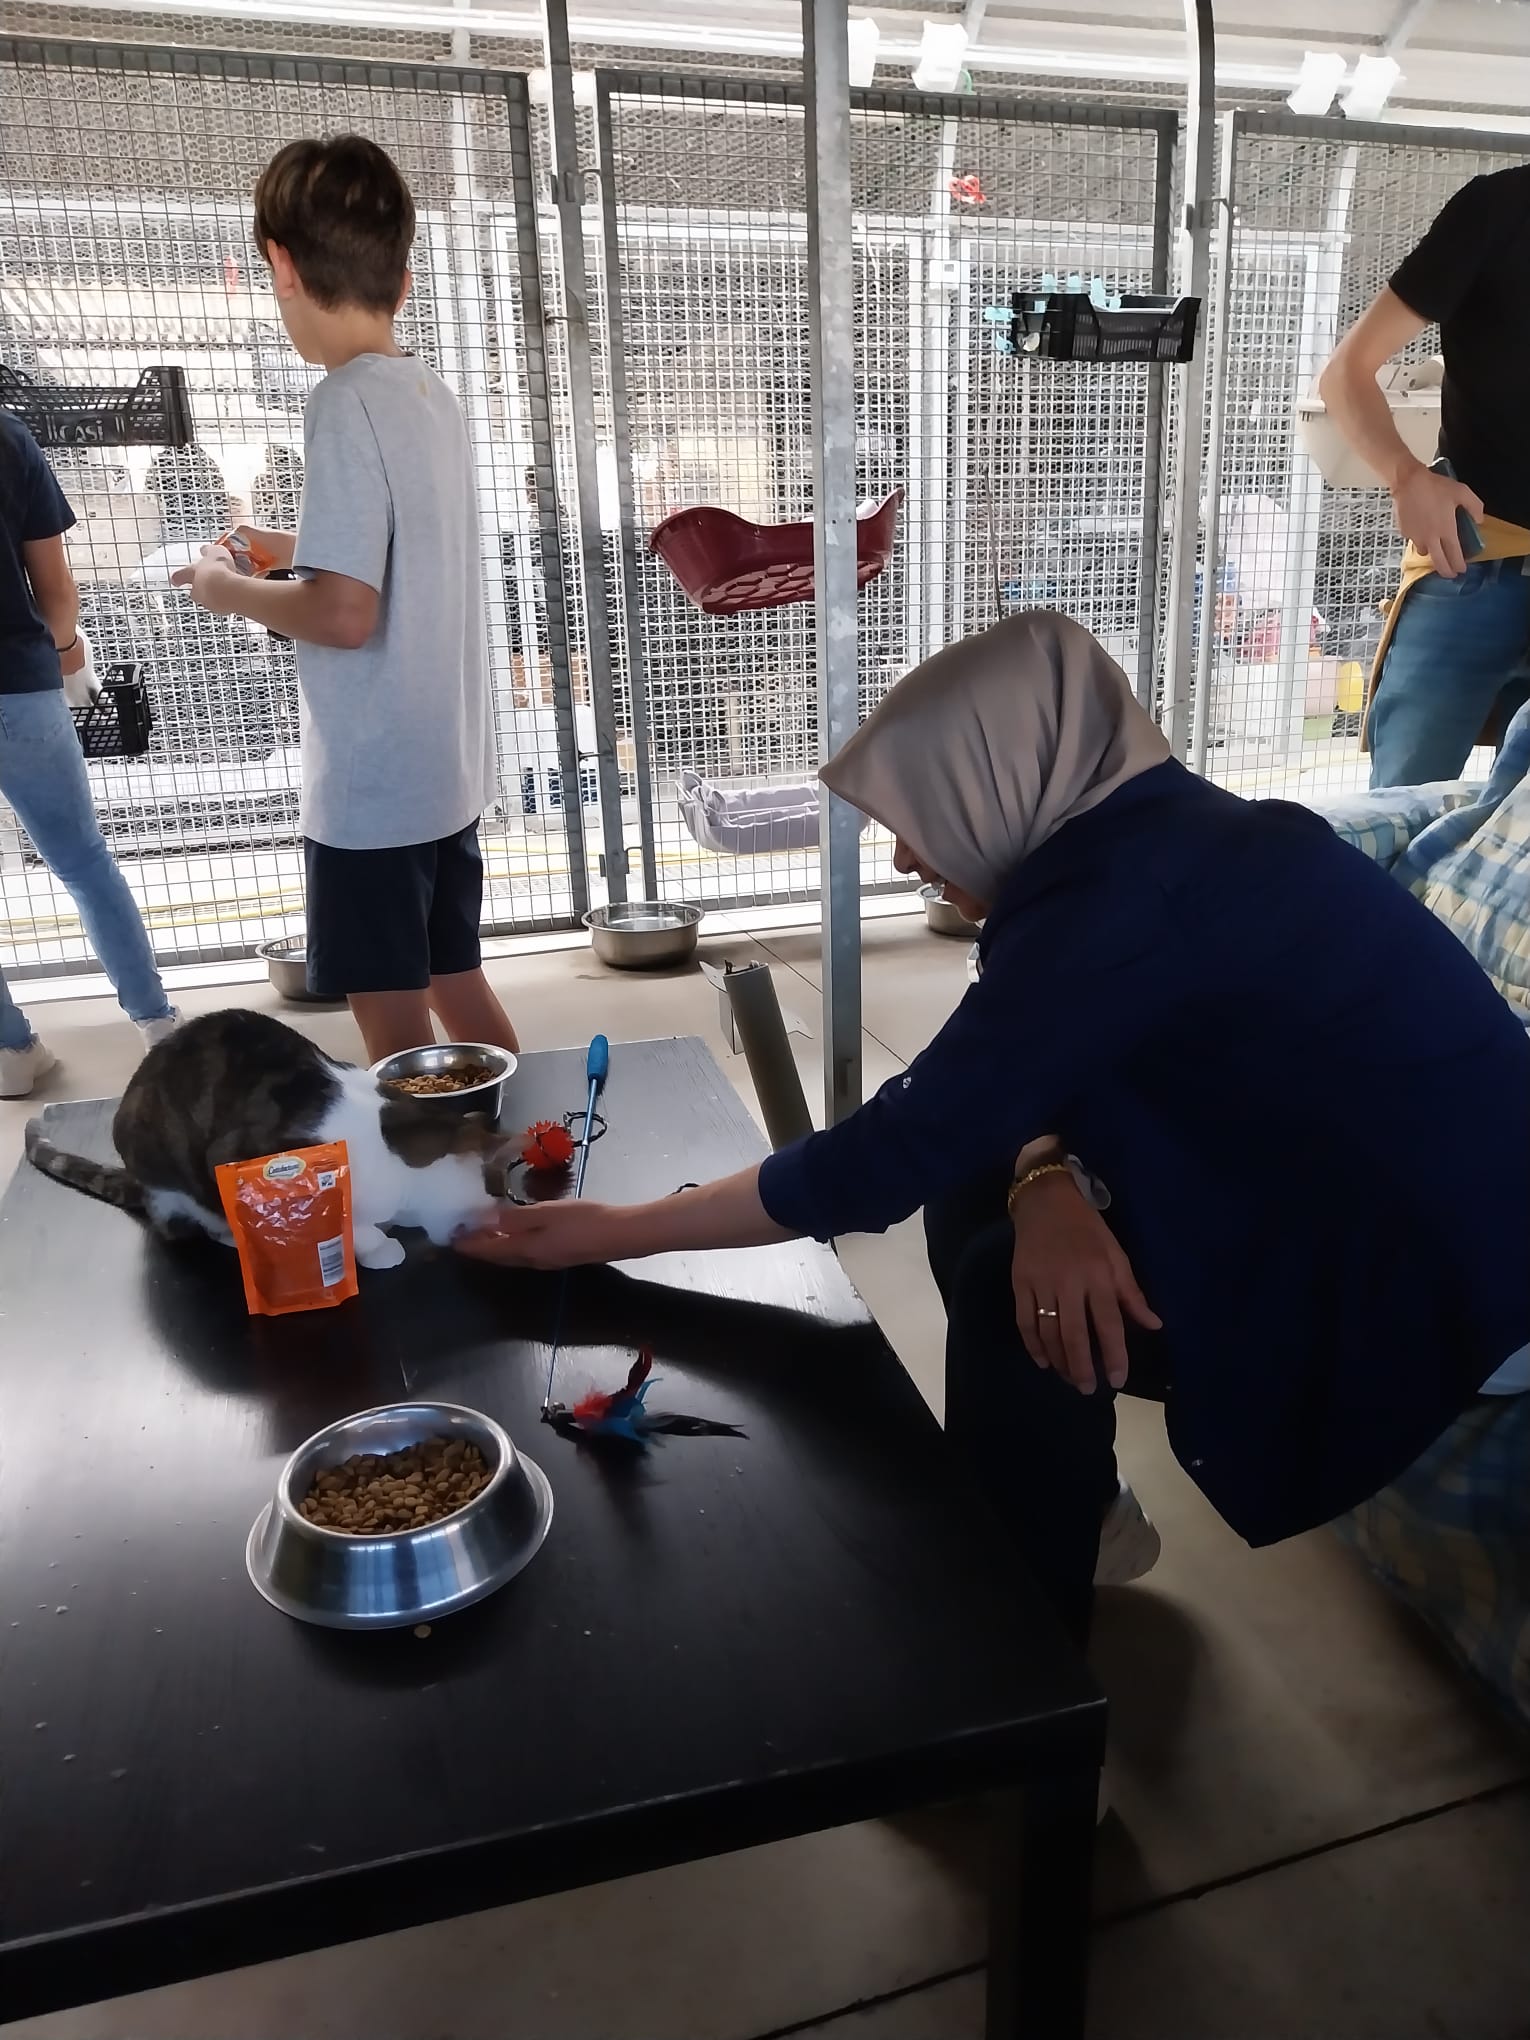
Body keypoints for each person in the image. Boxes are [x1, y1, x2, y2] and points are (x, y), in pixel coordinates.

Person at [454, 612, 1530, 1644]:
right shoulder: (1159, 835)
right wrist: (1045, 1178)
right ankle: (1079, 1510)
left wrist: (611, 1232)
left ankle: (1024, 1668)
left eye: (918, 816)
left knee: (1010, 1300)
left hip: (1448, 1275)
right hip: (1340, 1192)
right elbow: (1000, 1082)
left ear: (1002, 783)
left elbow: (882, 1159)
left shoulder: (1122, 904)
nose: (903, 861)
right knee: (987, 1193)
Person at [171, 135, 518, 1064]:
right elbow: (402, 558)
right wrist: (287, 549)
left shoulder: (341, 402)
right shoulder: (429, 395)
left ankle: (444, 1163)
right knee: (456, 981)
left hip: (372, 798)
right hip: (442, 777)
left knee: (396, 1040)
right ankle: (540, 1141)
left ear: (280, 265)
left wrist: (226, 587)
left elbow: (343, 614)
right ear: (403, 282)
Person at [1319, 163, 1530, 788]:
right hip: (1473, 560)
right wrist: (1406, 475)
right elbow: (1346, 374)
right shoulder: (1498, 210)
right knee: (1400, 802)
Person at [0, 414, 178, 1100]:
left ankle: (11, 1051)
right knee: (83, 862)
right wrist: (70, 655)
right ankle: (159, 1028)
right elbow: (55, 588)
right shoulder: (8, 437)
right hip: (19, 684)